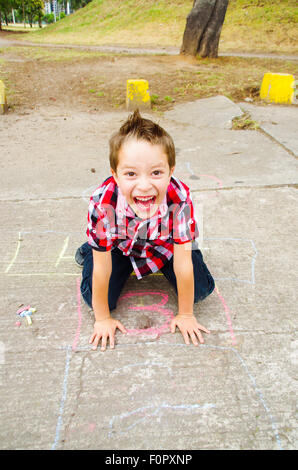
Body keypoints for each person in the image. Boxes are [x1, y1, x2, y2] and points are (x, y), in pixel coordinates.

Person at [75, 109, 214, 351]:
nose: (144, 185)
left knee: (200, 290)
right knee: (98, 300)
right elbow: (102, 269)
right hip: (120, 248)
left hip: (163, 247)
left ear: (171, 171)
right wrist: (103, 319)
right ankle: (93, 246)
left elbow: (182, 263)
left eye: (156, 173)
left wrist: (186, 314)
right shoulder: (102, 202)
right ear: (115, 175)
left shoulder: (178, 198)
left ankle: (186, 240)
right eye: (130, 174)